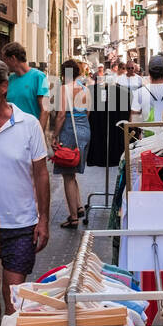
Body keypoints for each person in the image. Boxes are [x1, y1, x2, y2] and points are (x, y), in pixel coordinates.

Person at [0, 58, 50, 311]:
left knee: (13, 297)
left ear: (4, 87)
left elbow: (41, 174)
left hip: (21, 225)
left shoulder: (29, 125)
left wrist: (44, 219)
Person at [53, 59, 92, 229]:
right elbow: (88, 112)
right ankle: (79, 206)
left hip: (70, 130)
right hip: (84, 130)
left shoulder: (64, 89)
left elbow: (61, 115)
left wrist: (54, 135)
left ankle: (74, 217)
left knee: (67, 175)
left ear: (64, 73)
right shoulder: (85, 89)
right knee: (73, 171)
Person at [2, 42, 50, 134]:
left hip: (30, 132)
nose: (4, 64)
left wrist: (38, 134)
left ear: (13, 58)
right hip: (12, 132)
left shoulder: (39, 77)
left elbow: (45, 110)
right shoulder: (10, 79)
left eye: (5, 59)